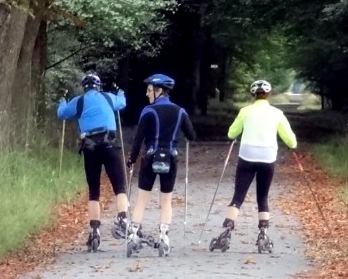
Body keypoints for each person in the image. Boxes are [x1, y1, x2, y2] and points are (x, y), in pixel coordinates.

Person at [209, 79, 297, 253]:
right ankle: (263, 234)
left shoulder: (245, 111)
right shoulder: (277, 113)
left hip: (247, 157)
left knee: (239, 195)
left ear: (253, 95)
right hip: (267, 157)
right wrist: (290, 145)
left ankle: (226, 232)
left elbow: (231, 133)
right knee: (262, 197)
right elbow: (291, 141)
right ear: (269, 95)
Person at [57, 73, 130, 251]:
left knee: (94, 191)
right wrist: (120, 92)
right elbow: (122, 103)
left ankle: (95, 230)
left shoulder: (79, 101)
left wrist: (62, 100)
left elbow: (62, 114)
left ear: (84, 87)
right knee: (120, 186)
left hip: (90, 148)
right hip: (110, 146)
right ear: (98, 86)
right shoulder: (107, 97)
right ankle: (123, 218)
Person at [125, 73, 196, 255]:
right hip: (170, 159)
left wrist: (131, 159)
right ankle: (164, 237)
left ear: (159, 91)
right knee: (166, 201)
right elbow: (191, 135)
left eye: (149, 90)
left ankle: (133, 234)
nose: (147, 94)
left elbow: (138, 139)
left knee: (142, 199)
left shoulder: (148, 111)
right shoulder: (180, 111)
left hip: (150, 158)